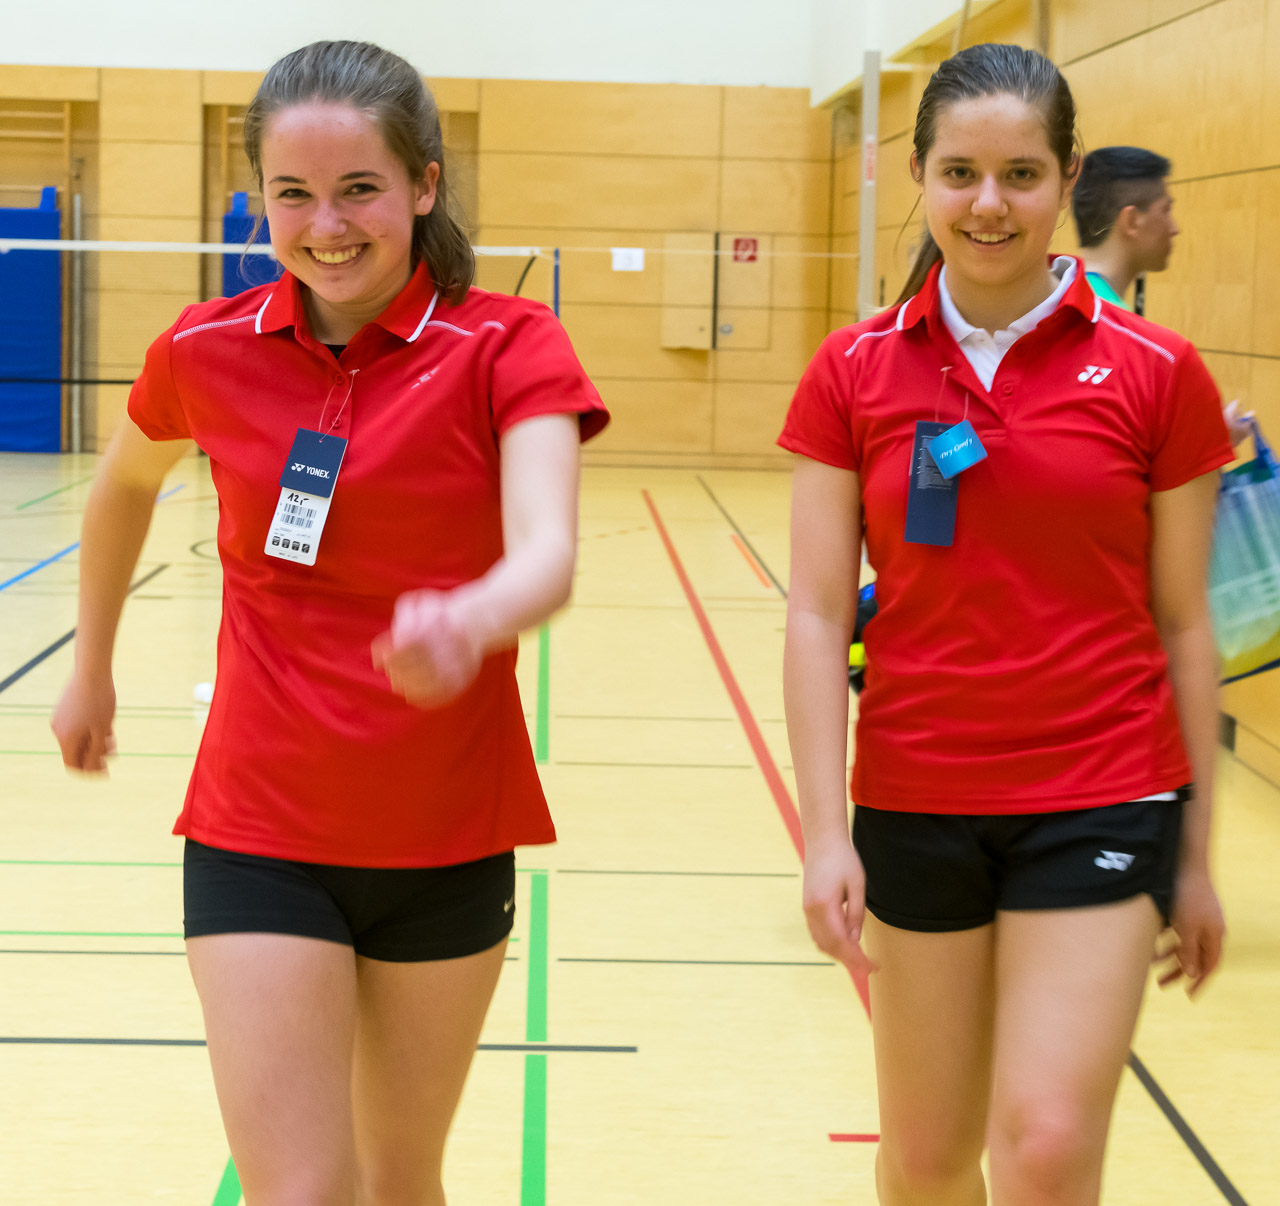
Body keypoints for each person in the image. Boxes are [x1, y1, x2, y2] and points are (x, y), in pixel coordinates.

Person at [52, 40, 607, 1206]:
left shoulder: (506, 345)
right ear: (260, 198)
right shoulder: (204, 349)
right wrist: (90, 664)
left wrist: (473, 615)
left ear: (423, 183)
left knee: (399, 1178)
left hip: (445, 831)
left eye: (359, 188)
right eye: (292, 194)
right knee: (300, 1191)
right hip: (260, 826)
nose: (326, 225)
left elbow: (547, 551)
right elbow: (123, 486)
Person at [779, 43, 1231, 1206]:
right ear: (920, 176)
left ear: (1065, 178)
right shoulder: (851, 371)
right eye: (959, 173)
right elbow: (818, 612)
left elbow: (1184, 624)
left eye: (1020, 174)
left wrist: (1195, 855)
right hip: (915, 798)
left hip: (1101, 794)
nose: (988, 204)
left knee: (1042, 1142)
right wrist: (823, 835)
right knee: (928, 1161)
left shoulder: (1156, 372)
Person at [1071, 145, 1178, 310]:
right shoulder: (1106, 316)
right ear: (1132, 221)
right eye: (1165, 210)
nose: (1174, 229)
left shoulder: (1064, 298)